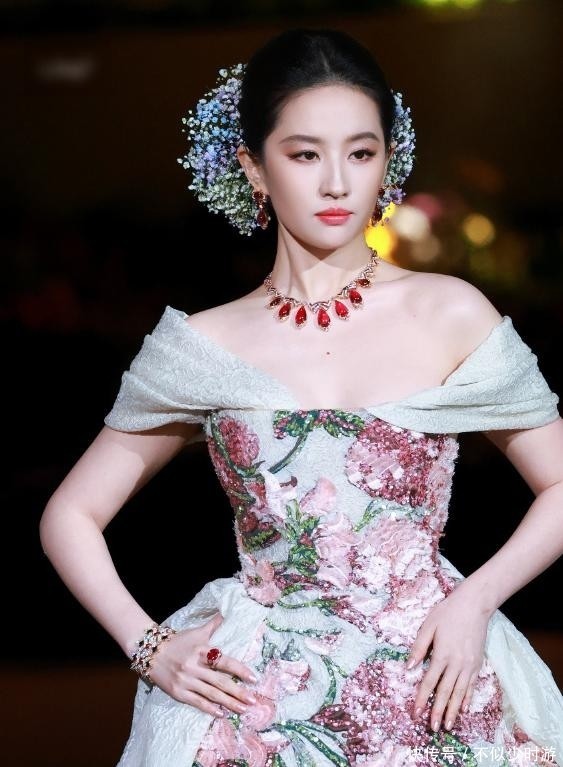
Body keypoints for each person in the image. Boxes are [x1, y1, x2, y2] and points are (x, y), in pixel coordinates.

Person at [39, 27, 563, 767]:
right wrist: (150, 646)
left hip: (432, 686)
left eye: (361, 152)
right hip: (260, 704)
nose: (337, 183)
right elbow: (70, 514)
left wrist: (475, 600)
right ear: (254, 166)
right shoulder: (203, 346)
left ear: (387, 161)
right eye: (305, 154)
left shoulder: (448, 312)